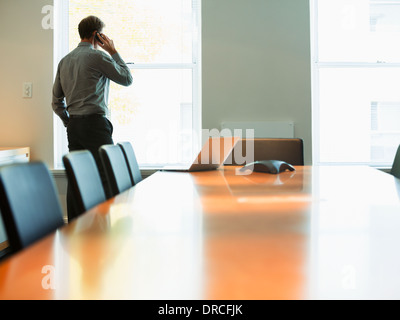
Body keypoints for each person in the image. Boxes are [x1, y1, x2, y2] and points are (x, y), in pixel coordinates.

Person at [52, 15, 133, 221]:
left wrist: (69, 121)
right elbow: (126, 79)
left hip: (75, 127)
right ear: (98, 35)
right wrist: (113, 51)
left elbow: (56, 102)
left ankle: (75, 227)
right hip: (95, 125)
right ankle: (104, 227)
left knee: (77, 175)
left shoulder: (64, 61)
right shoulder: (98, 57)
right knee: (106, 175)